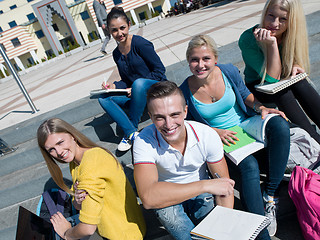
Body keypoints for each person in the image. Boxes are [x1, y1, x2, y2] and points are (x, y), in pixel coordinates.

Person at [180, 35, 290, 239]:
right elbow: (187, 124)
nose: (200, 65)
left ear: (215, 58)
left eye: (206, 58)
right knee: (249, 166)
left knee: (279, 124)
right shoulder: (184, 91)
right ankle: (260, 232)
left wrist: (262, 107)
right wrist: (215, 132)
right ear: (188, 61)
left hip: (246, 124)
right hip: (223, 138)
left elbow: (244, 93)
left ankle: (270, 194)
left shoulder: (228, 71)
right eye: (194, 60)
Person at [133, 81, 235, 240]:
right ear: (151, 117)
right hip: (168, 195)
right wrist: (204, 184)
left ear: (185, 111)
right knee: (174, 221)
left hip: (201, 195)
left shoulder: (206, 135)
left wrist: (222, 230)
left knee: (213, 233)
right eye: (160, 117)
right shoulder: (143, 141)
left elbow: (225, 188)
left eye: (174, 115)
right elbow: (148, 198)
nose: (168, 124)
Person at [37, 118, 146, 240]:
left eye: (60, 142)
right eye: (51, 149)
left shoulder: (91, 163)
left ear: (72, 136)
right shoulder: (76, 161)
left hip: (124, 235)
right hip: (113, 230)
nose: (59, 152)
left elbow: (88, 228)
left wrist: (66, 233)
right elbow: (78, 205)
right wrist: (77, 202)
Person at [238, 0, 320, 144]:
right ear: (265, 13)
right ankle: (314, 141)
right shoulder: (248, 39)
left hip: (284, 80)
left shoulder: (291, 34)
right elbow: (271, 79)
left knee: (300, 82)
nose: (274, 23)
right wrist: (272, 44)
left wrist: (296, 64)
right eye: (271, 15)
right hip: (259, 87)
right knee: (282, 92)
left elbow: (292, 62)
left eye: (283, 19)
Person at [98, 7, 167, 152]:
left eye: (122, 28)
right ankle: (131, 133)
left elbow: (160, 71)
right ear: (110, 32)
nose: (119, 33)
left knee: (139, 84)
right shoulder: (116, 54)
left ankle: (132, 127)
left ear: (129, 25)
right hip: (137, 94)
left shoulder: (140, 44)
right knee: (103, 98)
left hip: (157, 89)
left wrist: (135, 88)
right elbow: (126, 80)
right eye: (114, 30)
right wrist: (114, 85)